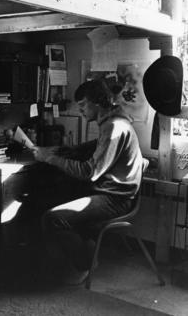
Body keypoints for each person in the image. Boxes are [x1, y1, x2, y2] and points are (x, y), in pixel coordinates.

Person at [31, 78, 144, 282]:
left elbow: (89, 172)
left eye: (83, 105)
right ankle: (76, 253)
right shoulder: (114, 121)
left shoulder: (114, 127)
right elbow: (97, 146)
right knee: (52, 197)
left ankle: (85, 263)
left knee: (52, 218)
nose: (80, 109)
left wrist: (49, 157)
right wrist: (68, 150)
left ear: (98, 102)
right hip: (112, 192)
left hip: (116, 199)